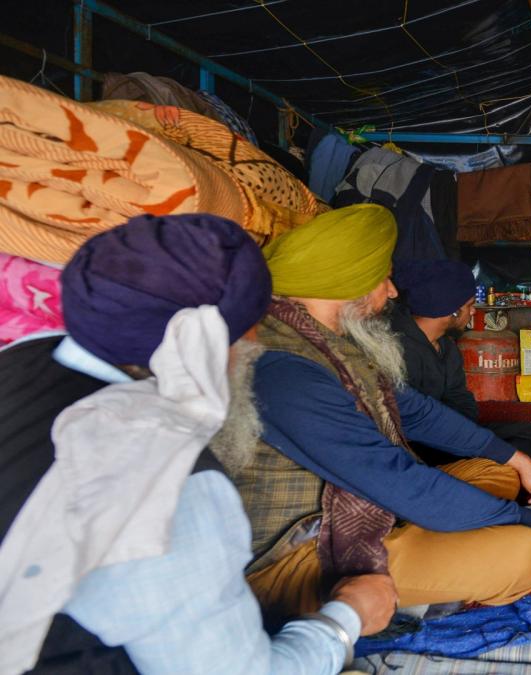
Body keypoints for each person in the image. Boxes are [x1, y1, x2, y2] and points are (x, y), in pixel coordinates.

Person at [0, 214, 395, 675]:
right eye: (250, 327)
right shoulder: (168, 481)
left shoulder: (20, 359)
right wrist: (349, 616)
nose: (253, 344)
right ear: (205, 340)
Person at [231, 205, 531, 626]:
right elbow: (399, 482)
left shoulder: (327, 341)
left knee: (496, 472)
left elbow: (418, 412)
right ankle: (381, 599)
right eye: (382, 278)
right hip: (300, 554)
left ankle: (435, 553)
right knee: (528, 554)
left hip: (367, 508)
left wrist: (519, 460)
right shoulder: (284, 368)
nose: (391, 292)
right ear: (346, 283)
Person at [390, 258, 531, 465]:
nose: (473, 312)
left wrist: (465, 434)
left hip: (451, 434)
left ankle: (475, 464)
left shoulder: (447, 346)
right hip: (415, 442)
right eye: (469, 305)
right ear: (452, 310)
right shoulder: (396, 349)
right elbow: (406, 419)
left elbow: (460, 397)